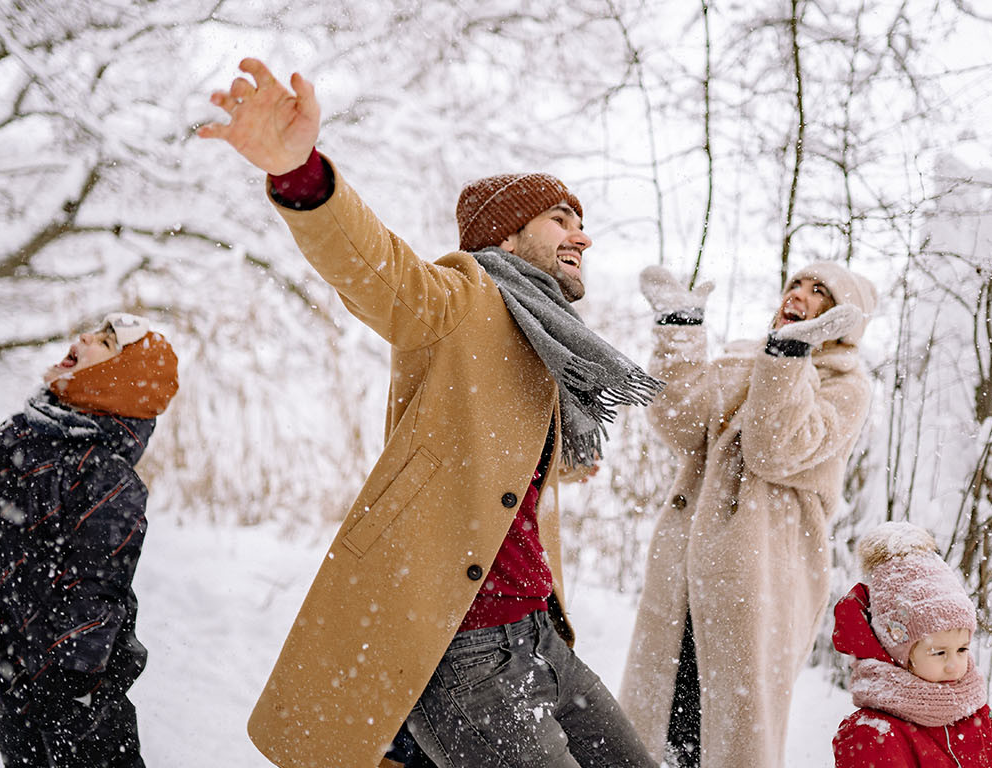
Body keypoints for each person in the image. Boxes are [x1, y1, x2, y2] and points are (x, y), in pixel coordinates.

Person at [198, 58, 662, 768]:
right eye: (560, 219)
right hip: (463, 646)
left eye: (582, 222)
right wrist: (302, 177)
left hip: (536, 633)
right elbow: (378, 271)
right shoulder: (462, 298)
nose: (582, 236)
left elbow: (486, 469)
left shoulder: (546, 345)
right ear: (506, 238)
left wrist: (553, 467)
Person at [619, 261, 877, 766]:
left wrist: (789, 356)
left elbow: (772, 448)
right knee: (663, 722)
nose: (798, 296)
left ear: (844, 317)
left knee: (732, 728)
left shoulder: (846, 387)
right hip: (685, 567)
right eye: (794, 285)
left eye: (818, 290)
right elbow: (679, 421)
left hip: (761, 578)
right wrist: (682, 332)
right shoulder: (747, 358)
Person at [0, 312, 179, 767]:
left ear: (115, 378)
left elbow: (96, 588)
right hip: (17, 661)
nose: (83, 337)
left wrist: (72, 686)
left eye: (104, 343)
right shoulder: (21, 437)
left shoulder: (106, 476)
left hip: (85, 680)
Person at [831, 522, 992, 766]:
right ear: (900, 653)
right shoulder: (875, 733)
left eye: (962, 649)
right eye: (939, 653)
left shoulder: (973, 711)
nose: (953, 665)